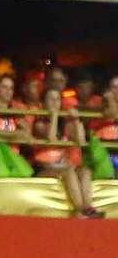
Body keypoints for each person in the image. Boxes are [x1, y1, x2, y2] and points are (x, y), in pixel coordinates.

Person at [33, 88, 100, 219]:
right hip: (45, 167)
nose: (55, 102)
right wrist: (54, 116)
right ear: (44, 102)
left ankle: (88, 207)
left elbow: (80, 141)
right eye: (51, 99)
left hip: (63, 165)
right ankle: (81, 209)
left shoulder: (65, 123)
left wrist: (76, 120)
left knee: (85, 171)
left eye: (57, 99)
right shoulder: (39, 123)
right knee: (69, 171)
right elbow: (51, 139)